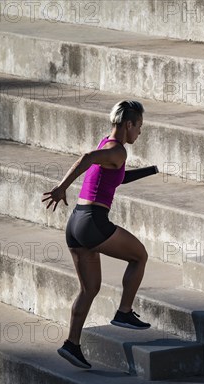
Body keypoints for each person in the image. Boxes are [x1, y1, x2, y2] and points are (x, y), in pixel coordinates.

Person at [42, 100, 158, 369]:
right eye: (139, 126)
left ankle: (71, 344)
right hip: (93, 222)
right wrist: (61, 187)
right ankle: (124, 312)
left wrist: (152, 170)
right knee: (140, 256)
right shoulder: (117, 150)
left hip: (76, 225)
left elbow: (118, 177)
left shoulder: (107, 144)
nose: (140, 132)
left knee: (89, 289)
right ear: (128, 124)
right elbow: (85, 159)